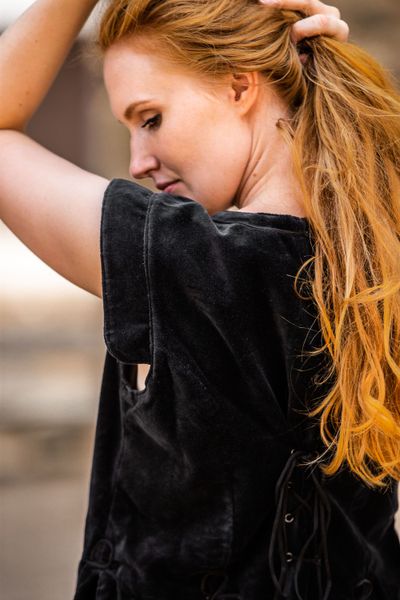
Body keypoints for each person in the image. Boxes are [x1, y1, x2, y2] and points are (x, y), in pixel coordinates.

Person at [0, 0, 399, 599]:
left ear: (240, 85)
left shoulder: (187, 259)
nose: (137, 162)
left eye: (150, 118)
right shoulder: (378, 251)